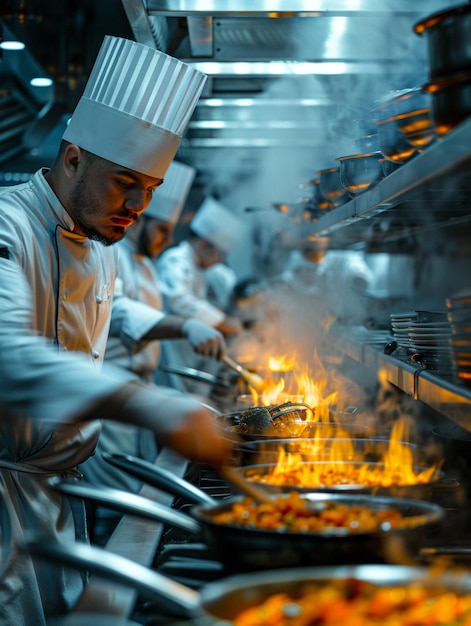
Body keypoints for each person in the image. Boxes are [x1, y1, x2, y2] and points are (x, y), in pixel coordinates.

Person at [0, 35, 235, 625]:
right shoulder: (9, 226)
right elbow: (9, 357)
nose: (137, 205)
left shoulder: (102, 244)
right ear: (74, 156)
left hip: (60, 498)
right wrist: (152, 406)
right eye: (125, 182)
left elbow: (125, 312)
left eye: (149, 192)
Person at [81, 160, 225, 541]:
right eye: (161, 230)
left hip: (140, 398)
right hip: (113, 401)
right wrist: (186, 325)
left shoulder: (145, 263)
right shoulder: (113, 254)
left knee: (134, 502)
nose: (164, 239)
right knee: (118, 507)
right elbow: (122, 311)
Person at [155, 196, 244, 392]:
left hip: (190, 354)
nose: (220, 261)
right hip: (172, 351)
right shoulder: (175, 260)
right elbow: (178, 300)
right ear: (205, 245)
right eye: (220, 254)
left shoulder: (200, 269)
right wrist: (223, 323)